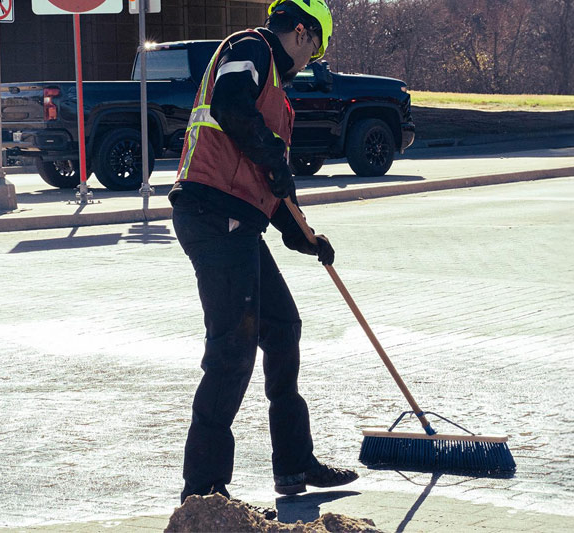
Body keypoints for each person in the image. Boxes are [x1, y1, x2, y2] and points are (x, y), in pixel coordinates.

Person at [168, 0, 358, 503]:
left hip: (240, 221)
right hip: (212, 212)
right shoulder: (249, 48)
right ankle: (204, 491)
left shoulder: (279, 100)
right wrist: (272, 156)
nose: (311, 60)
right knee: (232, 350)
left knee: (282, 328)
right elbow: (231, 107)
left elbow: (271, 190)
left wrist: (305, 238)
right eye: (315, 48)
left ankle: (294, 465)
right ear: (302, 31)